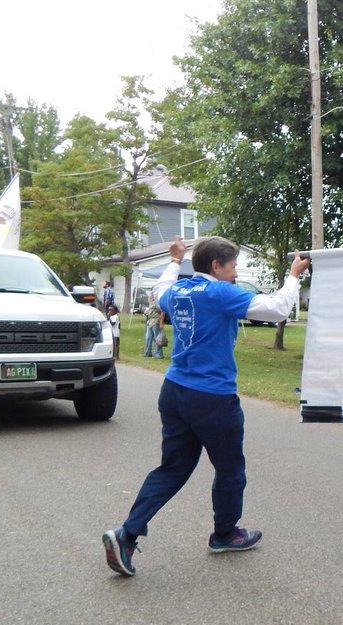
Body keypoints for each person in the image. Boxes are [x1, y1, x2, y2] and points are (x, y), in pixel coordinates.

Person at [101, 236, 311, 577]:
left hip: (174, 391)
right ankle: (225, 534)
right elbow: (276, 309)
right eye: (232, 266)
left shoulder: (180, 291)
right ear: (216, 266)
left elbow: (159, 290)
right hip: (212, 398)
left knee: (172, 469)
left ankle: (126, 535)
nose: (235, 272)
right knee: (229, 469)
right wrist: (293, 275)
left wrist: (174, 259)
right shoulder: (220, 293)